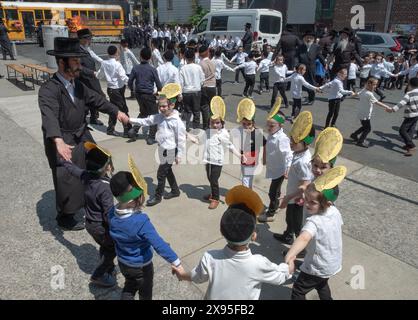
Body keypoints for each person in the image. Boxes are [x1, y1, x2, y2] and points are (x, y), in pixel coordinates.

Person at [38, 37, 128, 231]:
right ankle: (65, 215)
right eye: (75, 61)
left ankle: (92, 200)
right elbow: (49, 117)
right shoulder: (49, 90)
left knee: (98, 163)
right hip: (62, 139)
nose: (79, 65)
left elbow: (97, 100)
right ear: (62, 62)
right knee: (67, 179)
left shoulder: (78, 85)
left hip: (81, 134)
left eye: (79, 60)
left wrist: (117, 112)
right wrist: (58, 141)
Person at [172, 185, 292, 300]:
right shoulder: (259, 263)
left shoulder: (209, 257)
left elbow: (196, 277)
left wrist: (182, 274)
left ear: (221, 231)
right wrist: (290, 262)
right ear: (254, 236)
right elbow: (281, 276)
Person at [109, 156, 182, 300]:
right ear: (132, 200)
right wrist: (176, 262)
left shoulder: (111, 212)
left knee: (130, 285)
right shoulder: (140, 221)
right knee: (145, 290)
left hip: (123, 261)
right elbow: (159, 244)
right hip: (141, 265)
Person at [284, 166, 346, 300]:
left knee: (298, 290)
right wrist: (307, 199)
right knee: (321, 283)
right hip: (331, 262)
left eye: (312, 202)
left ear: (327, 204)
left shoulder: (314, 221)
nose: (307, 204)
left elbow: (304, 238)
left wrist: (291, 255)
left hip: (317, 265)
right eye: (306, 199)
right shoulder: (334, 212)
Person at [61, 142, 117, 287]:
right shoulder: (105, 188)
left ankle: (108, 268)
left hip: (90, 224)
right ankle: (98, 275)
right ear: (108, 167)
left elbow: (73, 169)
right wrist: (118, 228)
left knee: (105, 246)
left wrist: (63, 160)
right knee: (111, 250)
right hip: (101, 227)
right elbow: (108, 214)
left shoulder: (87, 176)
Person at [126, 84, 186, 207]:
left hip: (171, 150)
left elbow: (181, 140)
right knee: (167, 171)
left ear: (172, 105)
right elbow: (146, 120)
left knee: (161, 174)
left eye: (164, 106)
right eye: (160, 106)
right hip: (162, 148)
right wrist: (130, 120)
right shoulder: (160, 117)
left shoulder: (176, 122)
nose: (161, 109)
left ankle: (157, 197)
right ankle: (175, 191)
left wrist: (179, 154)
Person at [189, 97, 241, 209]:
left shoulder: (223, 134)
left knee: (214, 179)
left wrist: (239, 156)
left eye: (217, 123)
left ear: (222, 123)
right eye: (213, 123)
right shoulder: (208, 132)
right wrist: (189, 136)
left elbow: (230, 145)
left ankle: (216, 199)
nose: (215, 125)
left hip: (217, 162)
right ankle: (213, 193)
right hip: (208, 160)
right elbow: (199, 141)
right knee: (209, 178)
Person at [273, 111, 315, 245]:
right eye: (291, 139)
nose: (291, 142)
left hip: (297, 200)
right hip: (293, 195)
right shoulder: (299, 153)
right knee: (289, 219)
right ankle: (288, 235)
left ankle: (301, 247)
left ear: (305, 143)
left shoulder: (303, 161)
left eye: (295, 141)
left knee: (296, 222)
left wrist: (288, 198)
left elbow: (305, 185)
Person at [258, 99, 292, 223]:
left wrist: (287, 169)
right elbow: (268, 147)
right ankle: (276, 205)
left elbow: (288, 155)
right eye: (268, 125)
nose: (268, 128)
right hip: (274, 167)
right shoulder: (273, 135)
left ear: (280, 126)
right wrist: (265, 158)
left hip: (280, 170)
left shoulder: (281, 139)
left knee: (272, 192)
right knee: (276, 190)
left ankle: (270, 213)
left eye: (272, 126)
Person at [95, 45, 132, 137]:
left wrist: (95, 74)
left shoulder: (104, 63)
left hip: (111, 89)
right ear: (116, 53)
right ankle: (128, 130)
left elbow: (100, 76)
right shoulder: (117, 64)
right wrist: (132, 85)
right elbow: (123, 77)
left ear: (108, 53)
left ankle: (111, 129)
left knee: (113, 109)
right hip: (118, 90)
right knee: (123, 109)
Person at [128, 47, 162, 144]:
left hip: (139, 94)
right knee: (154, 116)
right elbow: (159, 85)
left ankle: (134, 130)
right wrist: (158, 93)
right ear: (150, 57)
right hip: (148, 94)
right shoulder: (152, 69)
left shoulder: (135, 68)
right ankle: (151, 137)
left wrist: (132, 90)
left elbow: (130, 82)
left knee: (143, 112)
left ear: (140, 56)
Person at [232, 98, 266, 189]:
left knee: (247, 178)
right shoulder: (239, 130)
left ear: (253, 123)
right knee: (246, 177)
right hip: (244, 157)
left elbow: (265, 144)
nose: (246, 126)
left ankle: (246, 194)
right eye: (244, 124)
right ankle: (248, 193)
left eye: (249, 124)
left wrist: (264, 157)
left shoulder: (258, 133)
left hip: (253, 159)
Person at [350, 77, 392, 148]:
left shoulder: (364, 90)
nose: (376, 86)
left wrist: (353, 94)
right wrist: (387, 107)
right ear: (369, 84)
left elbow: (357, 94)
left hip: (361, 112)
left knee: (364, 127)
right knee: (368, 129)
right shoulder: (369, 94)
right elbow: (377, 102)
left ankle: (354, 135)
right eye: (374, 84)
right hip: (365, 114)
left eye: (376, 84)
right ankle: (360, 141)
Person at [77, 28, 105, 126]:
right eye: (88, 39)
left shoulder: (86, 48)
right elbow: (79, 67)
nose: (90, 41)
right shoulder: (78, 50)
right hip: (85, 80)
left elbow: (95, 57)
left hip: (92, 79)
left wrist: (106, 63)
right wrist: (92, 72)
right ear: (82, 39)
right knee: (85, 101)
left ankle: (93, 117)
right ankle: (82, 121)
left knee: (96, 98)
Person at [387, 77, 418, 157]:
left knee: (402, 130)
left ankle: (412, 146)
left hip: (410, 114)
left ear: (410, 85)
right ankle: (408, 145)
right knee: (411, 130)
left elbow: (401, 103)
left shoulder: (409, 93)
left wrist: (392, 109)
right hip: (416, 114)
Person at [296, 31, 326, 105]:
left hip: (311, 68)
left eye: (310, 38)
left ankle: (312, 99)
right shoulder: (300, 47)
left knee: (312, 83)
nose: (308, 39)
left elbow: (319, 56)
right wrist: (296, 65)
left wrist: (324, 64)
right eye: (307, 38)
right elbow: (296, 57)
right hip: (302, 68)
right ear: (304, 39)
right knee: (305, 83)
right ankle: (309, 97)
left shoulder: (316, 47)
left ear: (313, 39)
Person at [179, 48, 205, 131]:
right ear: (194, 58)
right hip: (196, 91)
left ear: (185, 58)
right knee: (196, 111)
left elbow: (181, 83)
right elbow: (202, 80)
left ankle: (185, 127)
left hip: (186, 92)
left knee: (187, 111)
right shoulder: (198, 67)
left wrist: (180, 94)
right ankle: (196, 128)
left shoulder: (183, 68)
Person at [199, 45, 217, 130]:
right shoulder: (212, 62)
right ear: (207, 52)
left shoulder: (200, 64)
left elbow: (200, 78)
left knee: (204, 106)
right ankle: (213, 123)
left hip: (204, 86)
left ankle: (205, 125)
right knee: (212, 106)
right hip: (212, 86)